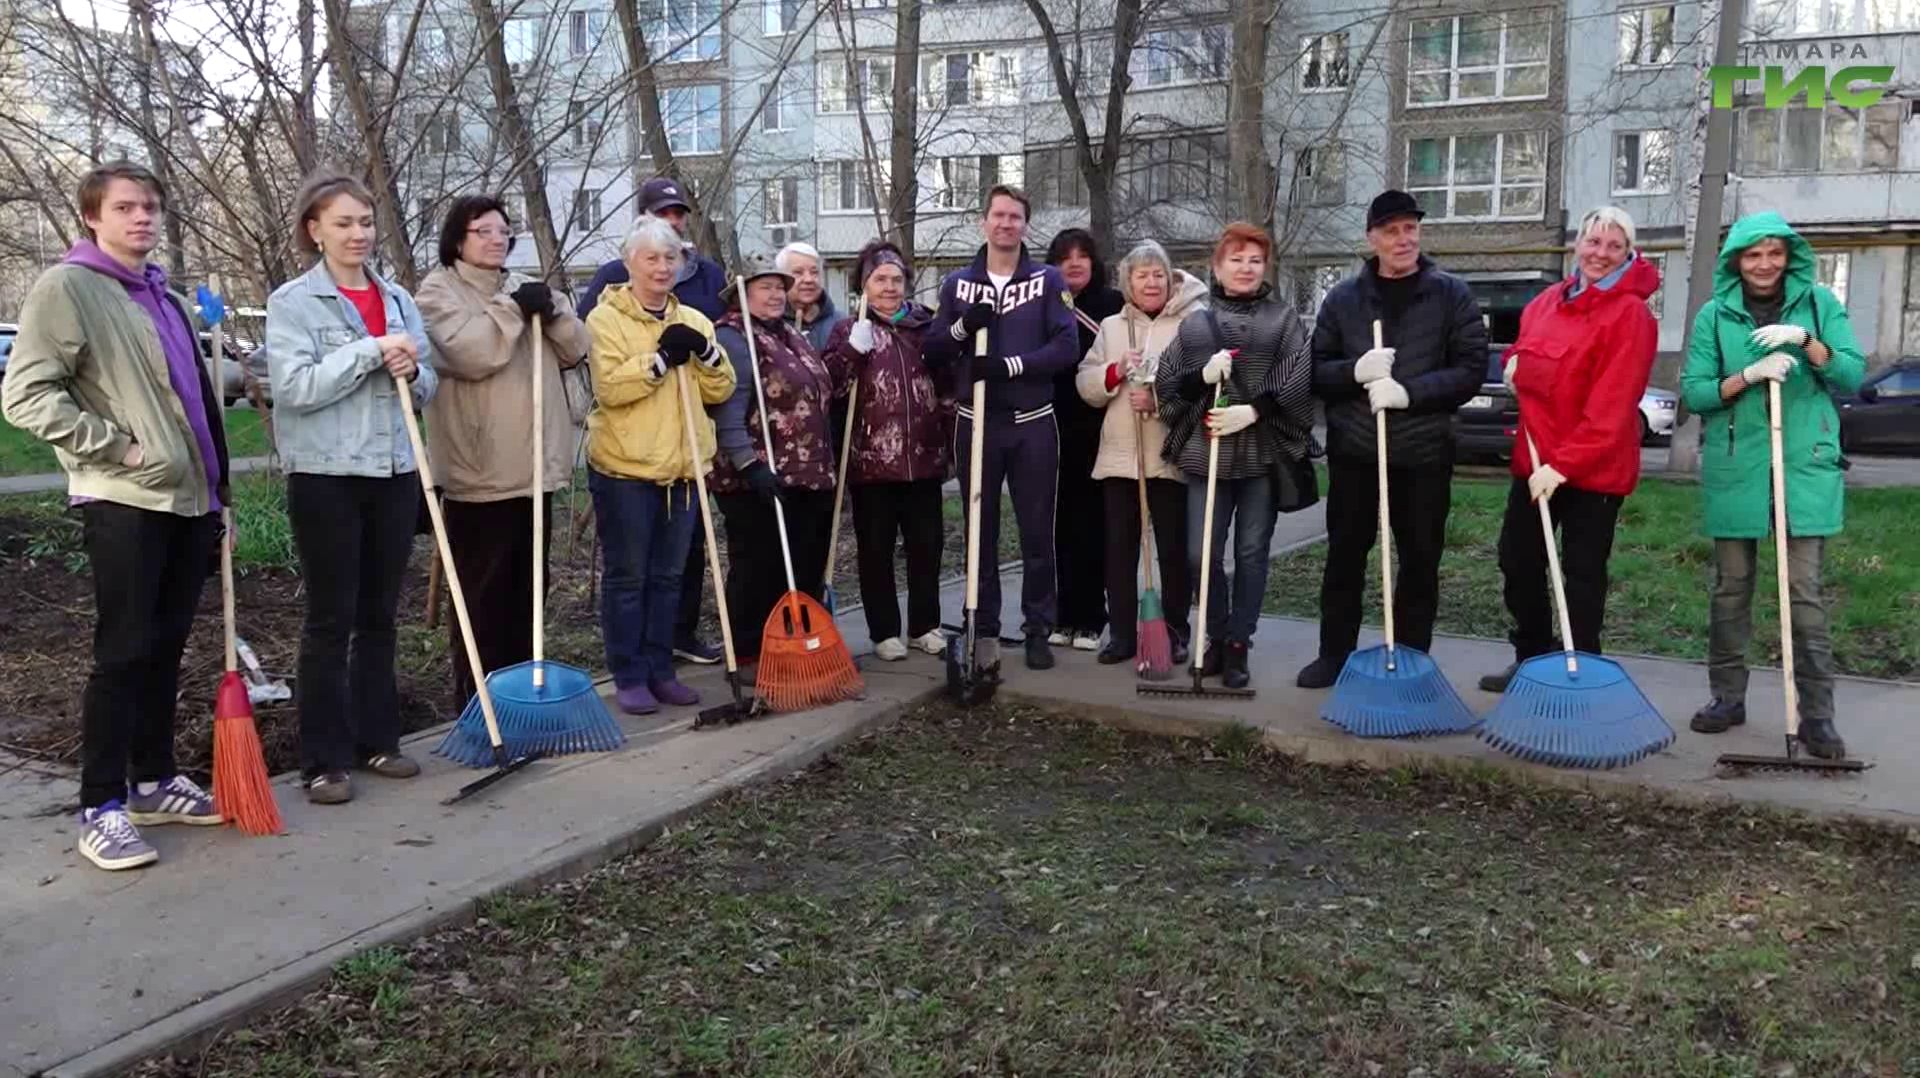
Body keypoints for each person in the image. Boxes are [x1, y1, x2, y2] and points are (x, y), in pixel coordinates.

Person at [2, 162, 226, 869]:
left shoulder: (165, 296)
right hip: (127, 499)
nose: (143, 219)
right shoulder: (69, 287)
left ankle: (154, 780)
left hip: (192, 500)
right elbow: (28, 394)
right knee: (123, 651)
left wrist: (221, 492)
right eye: (126, 207)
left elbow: (187, 396)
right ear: (92, 217)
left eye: (152, 207)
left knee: (164, 649)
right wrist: (120, 452)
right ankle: (100, 803)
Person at [265, 170, 439, 805]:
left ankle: (378, 740)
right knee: (330, 619)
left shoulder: (396, 299)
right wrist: (369, 353)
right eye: (343, 223)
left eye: (365, 222)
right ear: (315, 230)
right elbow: (296, 388)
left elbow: (427, 388)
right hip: (327, 477)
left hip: (393, 472)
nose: (358, 233)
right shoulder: (293, 303)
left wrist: (412, 366)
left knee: (379, 616)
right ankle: (323, 759)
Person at [1679, 210, 1865, 759]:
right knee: (1731, 590)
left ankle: (1818, 717)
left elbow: (1852, 373)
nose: (1764, 264)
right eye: (1753, 254)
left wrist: (1806, 342)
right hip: (1738, 467)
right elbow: (1693, 392)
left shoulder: (1820, 306)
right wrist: (1747, 377)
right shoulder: (1715, 316)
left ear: (1789, 257)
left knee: (1803, 595)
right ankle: (1727, 698)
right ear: (1737, 259)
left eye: (1774, 253)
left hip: (1805, 466)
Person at [1296, 190, 1486, 689]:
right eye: (1391, 230)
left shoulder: (1451, 295)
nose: (1403, 239)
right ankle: (1334, 655)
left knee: (1420, 559)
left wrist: (1409, 393)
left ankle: (1410, 659)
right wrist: (1355, 371)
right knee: (1345, 556)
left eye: (1410, 228)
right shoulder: (1343, 299)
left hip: (1424, 454)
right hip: (1357, 452)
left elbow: (1469, 370)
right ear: (1371, 238)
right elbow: (1315, 372)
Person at [416, 195, 591, 707]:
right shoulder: (436, 292)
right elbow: (471, 354)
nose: (497, 240)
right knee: (483, 597)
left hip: (535, 467)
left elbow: (577, 347)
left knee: (529, 592)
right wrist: (512, 309)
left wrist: (553, 306)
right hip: (481, 471)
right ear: (457, 239)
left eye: (503, 231)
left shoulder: (520, 285)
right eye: (483, 231)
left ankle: (522, 695)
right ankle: (480, 703)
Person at [1479, 207, 1660, 693]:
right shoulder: (1545, 303)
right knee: (1517, 559)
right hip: (1535, 461)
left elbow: (1612, 407)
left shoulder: (1631, 315)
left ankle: (1582, 666)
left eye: (1613, 246)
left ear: (1628, 253)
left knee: (1580, 573)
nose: (1600, 253)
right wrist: (1515, 365)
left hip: (1593, 470)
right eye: (1592, 242)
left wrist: (1563, 466)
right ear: (1578, 245)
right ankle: (1533, 657)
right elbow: (1524, 352)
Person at [582, 214, 736, 714]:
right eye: (651, 258)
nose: (662, 267)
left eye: (670, 258)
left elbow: (722, 387)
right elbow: (610, 388)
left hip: (684, 467)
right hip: (626, 468)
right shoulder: (606, 320)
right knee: (629, 577)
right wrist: (659, 361)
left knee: (670, 576)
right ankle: (628, 673)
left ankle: (661, 668)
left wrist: (707, 354)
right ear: (630, 264)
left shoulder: (692, 319)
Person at [1155, 223, 1314, 688]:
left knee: (1251, 551)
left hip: (1261, 456)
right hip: (1207, 453)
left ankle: (1240, 642)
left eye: (1255, 260)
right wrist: (1202, 377)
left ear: (1265, 267)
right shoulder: (1195, 324)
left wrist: (1255, 410)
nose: (1246, 268)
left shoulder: (1284, 320)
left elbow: (1300, 379)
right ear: (1218, 267)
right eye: (1236, 259)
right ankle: (1216, 633)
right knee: (1199, 553)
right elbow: (1168, 387)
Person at [927, 185, 1078, 671]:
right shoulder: (957, 286)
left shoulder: (1047, 280)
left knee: (1037, 532)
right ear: (983, 222)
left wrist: (1011, 365)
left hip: (1032, 423)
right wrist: (962, 328)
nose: (1006, 223)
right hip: (977, 424)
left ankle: (1037, 628)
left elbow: (1066, 348)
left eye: (1015, 216)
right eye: (998, 215)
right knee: (980, 529)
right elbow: (935, 351)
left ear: (1024, 226)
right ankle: (982, 625)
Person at [710, 253, 845, 666]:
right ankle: (749, 651)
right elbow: (728, 409)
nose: (775, 294)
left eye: (778, 287)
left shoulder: (790, 333)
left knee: (804, 564)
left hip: (807, 474)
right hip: (757, 476)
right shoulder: (734, 336)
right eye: (764, 287)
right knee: (758, 566)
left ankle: (795, 645)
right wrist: (749, 465)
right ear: (742, 293)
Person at [1076, 239, 1205, 666]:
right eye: (1141, 275)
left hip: (1169, 454)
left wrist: (1159, 399)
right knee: (1120, 549)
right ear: (1127, 283)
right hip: (1120, 456)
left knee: (1171, 551)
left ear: (1170, 279)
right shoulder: (1113, 327)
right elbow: (1086, 382)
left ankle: (1173, 631)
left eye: (1158, 275)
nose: (1151, 283)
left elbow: (1202, 385)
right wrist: (1114, 372)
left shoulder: (1193, 322)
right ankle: (1123, 635)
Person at [822, 240, 951, 661]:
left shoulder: (925, 326)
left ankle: (924, 625)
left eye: (897, 279)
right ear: (865, 284)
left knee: (926, 546)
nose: (890, 287)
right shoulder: (848, 329)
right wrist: (852, 351)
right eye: (881, 279)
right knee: (875, 549)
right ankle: (883, 631)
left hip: (923, 459)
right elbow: (831, 386)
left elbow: (947, 384)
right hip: (871, 464)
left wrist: (949, 444)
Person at [1047, 227, 1124, 652]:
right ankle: (1063, 614)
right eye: (1065, 256)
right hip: (1053, 427)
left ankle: (1094, 617)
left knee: (1095, 527)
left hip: (1099, 427)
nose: (1074, 263)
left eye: (1082, 255)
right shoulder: (1046, 304)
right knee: (1060, 526)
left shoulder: (1112, 304)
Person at [778, 241, 845, 353]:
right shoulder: (771, 326)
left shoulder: (842, 324)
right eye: (798, 273)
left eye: (814, 272)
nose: (809, 279)